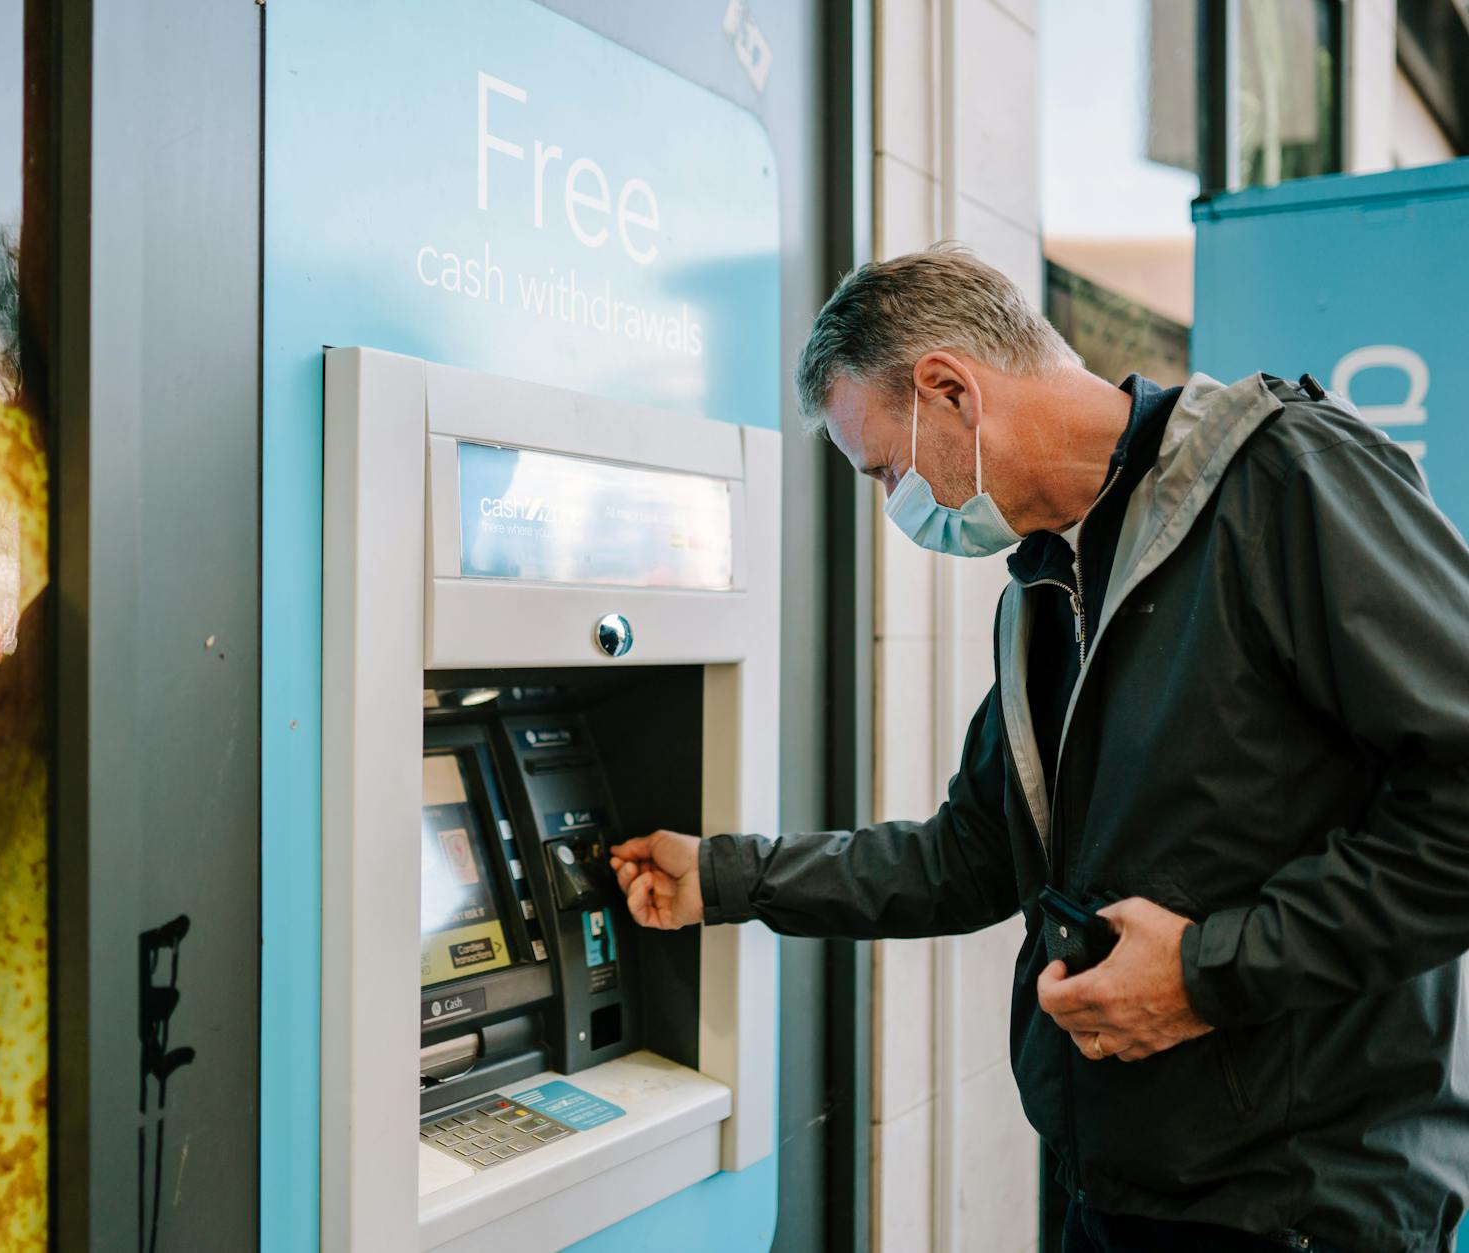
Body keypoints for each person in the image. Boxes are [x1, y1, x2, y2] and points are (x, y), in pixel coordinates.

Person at [609, 245, 1469, 1253]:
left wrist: (1205, 968)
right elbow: (966, 856)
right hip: (1121, 1184)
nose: (895, 504)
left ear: (948, 388)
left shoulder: (1283, 480)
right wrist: (720, 875)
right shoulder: (1044, 586)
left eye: (883, 466)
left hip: (1300, 1204)